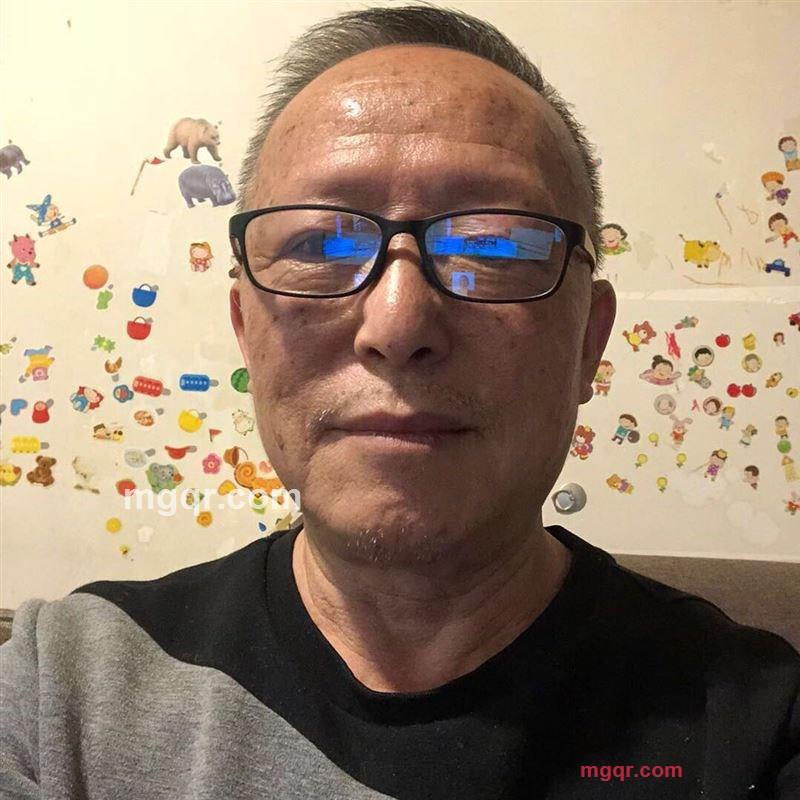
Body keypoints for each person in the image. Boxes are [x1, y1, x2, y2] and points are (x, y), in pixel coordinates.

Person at [1, 4, 798, 799]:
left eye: (492, 244)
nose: (397, 323)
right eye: (320, 243)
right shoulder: (59, 691)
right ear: (246, 328)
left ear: (589, 339)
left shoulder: (754, 729)